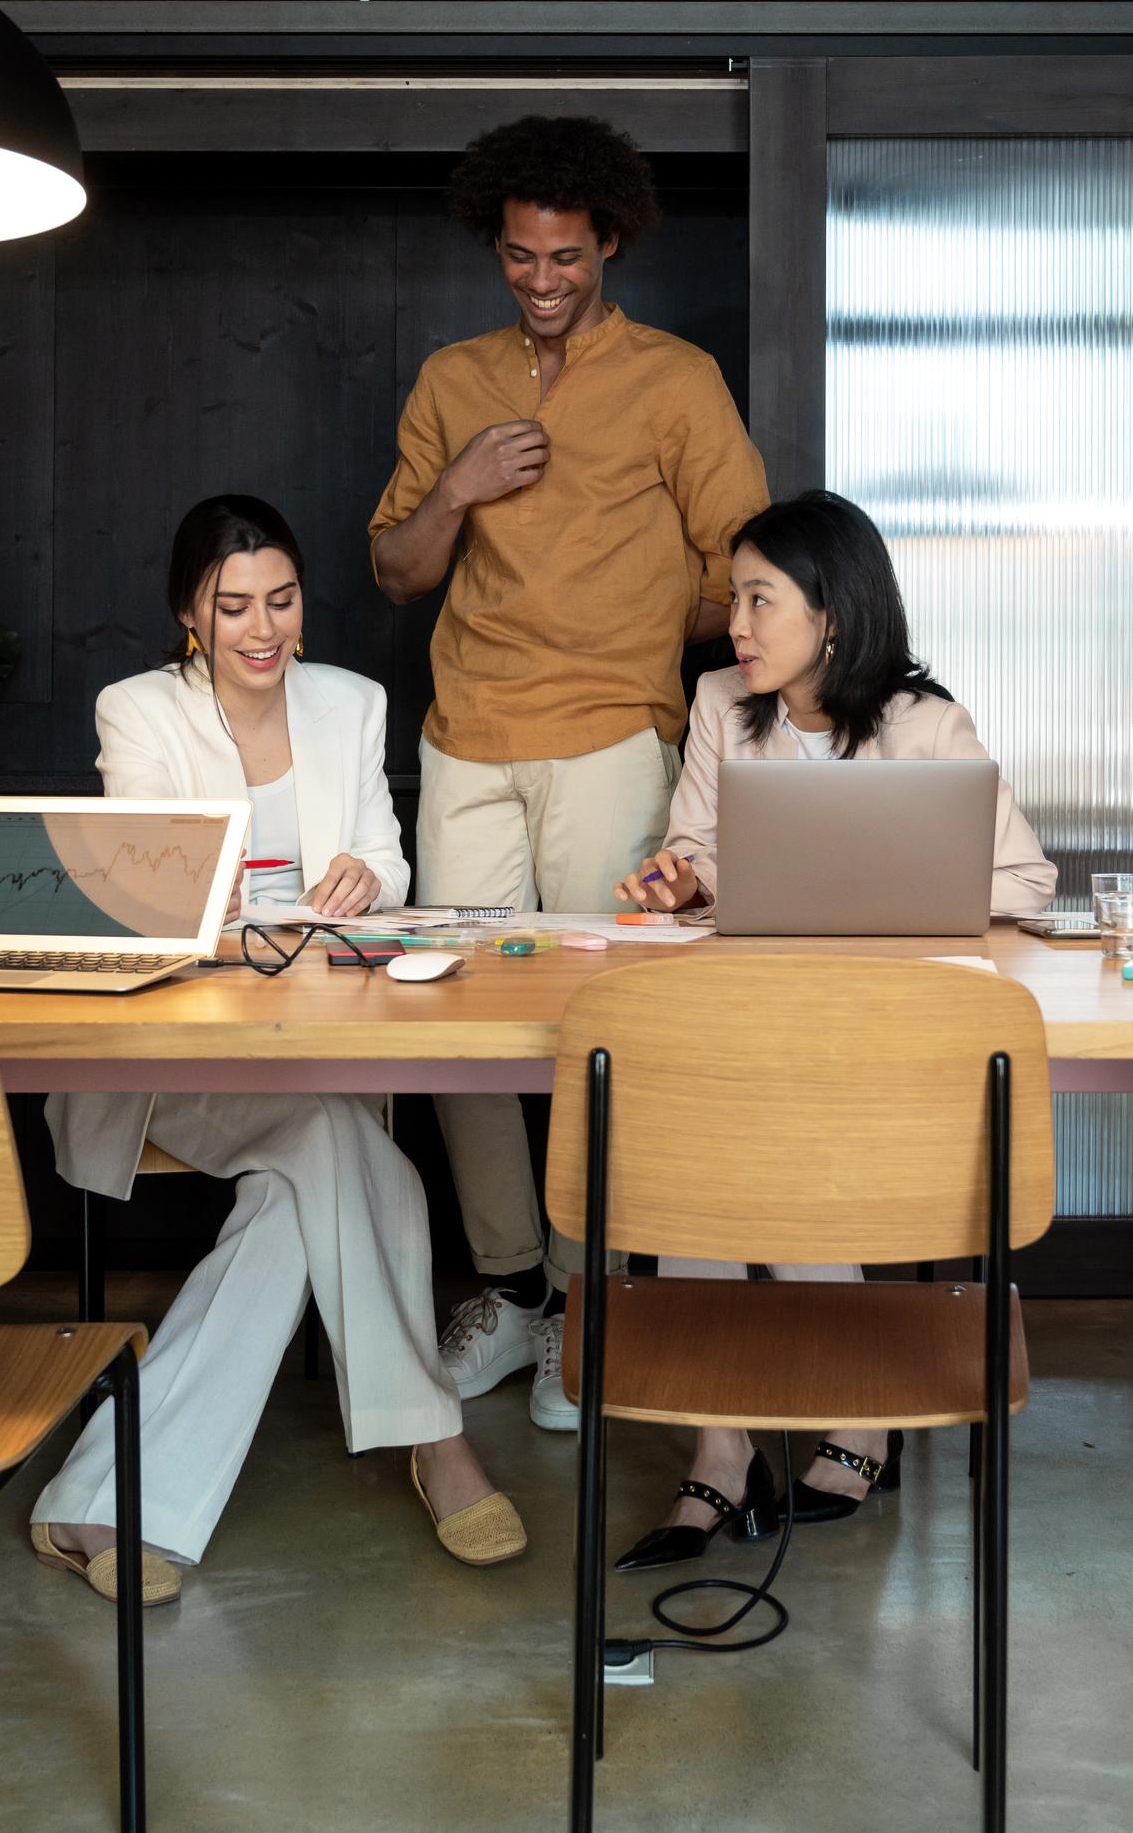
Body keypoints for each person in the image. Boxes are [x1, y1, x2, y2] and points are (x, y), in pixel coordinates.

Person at [29, 497, 526, 1602]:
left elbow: (387, 866)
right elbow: (151, 891)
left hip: (307, 1046)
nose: (264, 628)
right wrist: (283, 903)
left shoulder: (350, 702)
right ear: (190, 615)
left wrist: (362, 880)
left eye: (283, 599)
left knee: (311, 1173)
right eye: (234, 604)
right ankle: (435, 1442)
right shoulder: (139, 710)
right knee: (352, 1152)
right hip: (165, 1063)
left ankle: (105, 1498)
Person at [368, 114, 769, 1433]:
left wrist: (641, 634)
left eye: (565, 258)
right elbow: (397, 568)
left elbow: (742, 560)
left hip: (608, 732)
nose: (541, 280)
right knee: (463, 1025)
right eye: (520, 258)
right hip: (463, 738)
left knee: (598, 1028)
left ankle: (590, 1300)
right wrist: (465, 484)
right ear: (497, 245)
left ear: (610, 244)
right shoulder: (449, 380)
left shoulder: (675, 380)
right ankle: (512, 1289)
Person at [606, 488, 1055, 1569]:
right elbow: (698, 845)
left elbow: (1027, 879)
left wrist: (894, 892)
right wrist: (679, 882)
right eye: (734, 599)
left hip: (882, 1040)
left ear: (833, 614)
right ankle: (722, 1450)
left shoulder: (926, 722)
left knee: (768, 1134)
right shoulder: (722, 702)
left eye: (761, 600)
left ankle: (857, 1419)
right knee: (688, 1144)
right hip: (757, 1023)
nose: (737, 625)